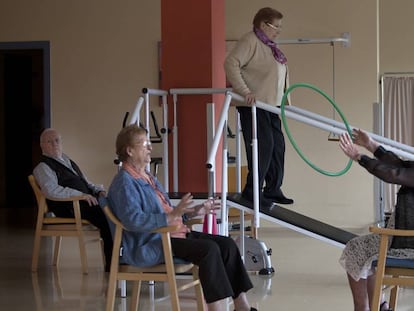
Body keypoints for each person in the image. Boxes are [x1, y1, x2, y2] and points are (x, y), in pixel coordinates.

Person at [107, 124, 257, 311]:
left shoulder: (149, 178)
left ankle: (242, 307)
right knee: (209, 250)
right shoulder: (124, 182)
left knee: (227, 245)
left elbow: (171, 214)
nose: (150, 147)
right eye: (144, 143)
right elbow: (132, 220)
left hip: (173, 235)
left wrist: (195, 212)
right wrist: (172, 216)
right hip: (152, 241)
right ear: (129, 151)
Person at [338, 128, 414, 311]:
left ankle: (365, 307)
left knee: (355, 249)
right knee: (364, 251)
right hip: (402, 239)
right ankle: (380, 305)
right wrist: (371, 145)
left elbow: (393, 174)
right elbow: (400, 166)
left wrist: (359, 157)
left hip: (406, 244)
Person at [224, 7, 293, 206]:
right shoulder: (250, 41)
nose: (279, 30)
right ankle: (252, 191)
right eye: (276, 26)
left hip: (271, 105)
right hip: (254, 105)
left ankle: (273, 188)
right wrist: (245, 91)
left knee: (277, 145)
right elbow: (230, 63)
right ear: (263, 24)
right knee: (264, 146)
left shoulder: (269, 45)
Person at [33, 128, 113, 272]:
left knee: (115, 208)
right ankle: (113, 263)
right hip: (69, 206)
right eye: (49, 142)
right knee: (107, 217)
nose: (54, 144)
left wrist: (98, 190)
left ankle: (126, 256)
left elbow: (86, 182)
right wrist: (80, 195)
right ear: (42, 145)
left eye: (57, 140)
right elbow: (52, 191)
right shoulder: (43, 167)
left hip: (86, 201)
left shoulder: (67, 160)